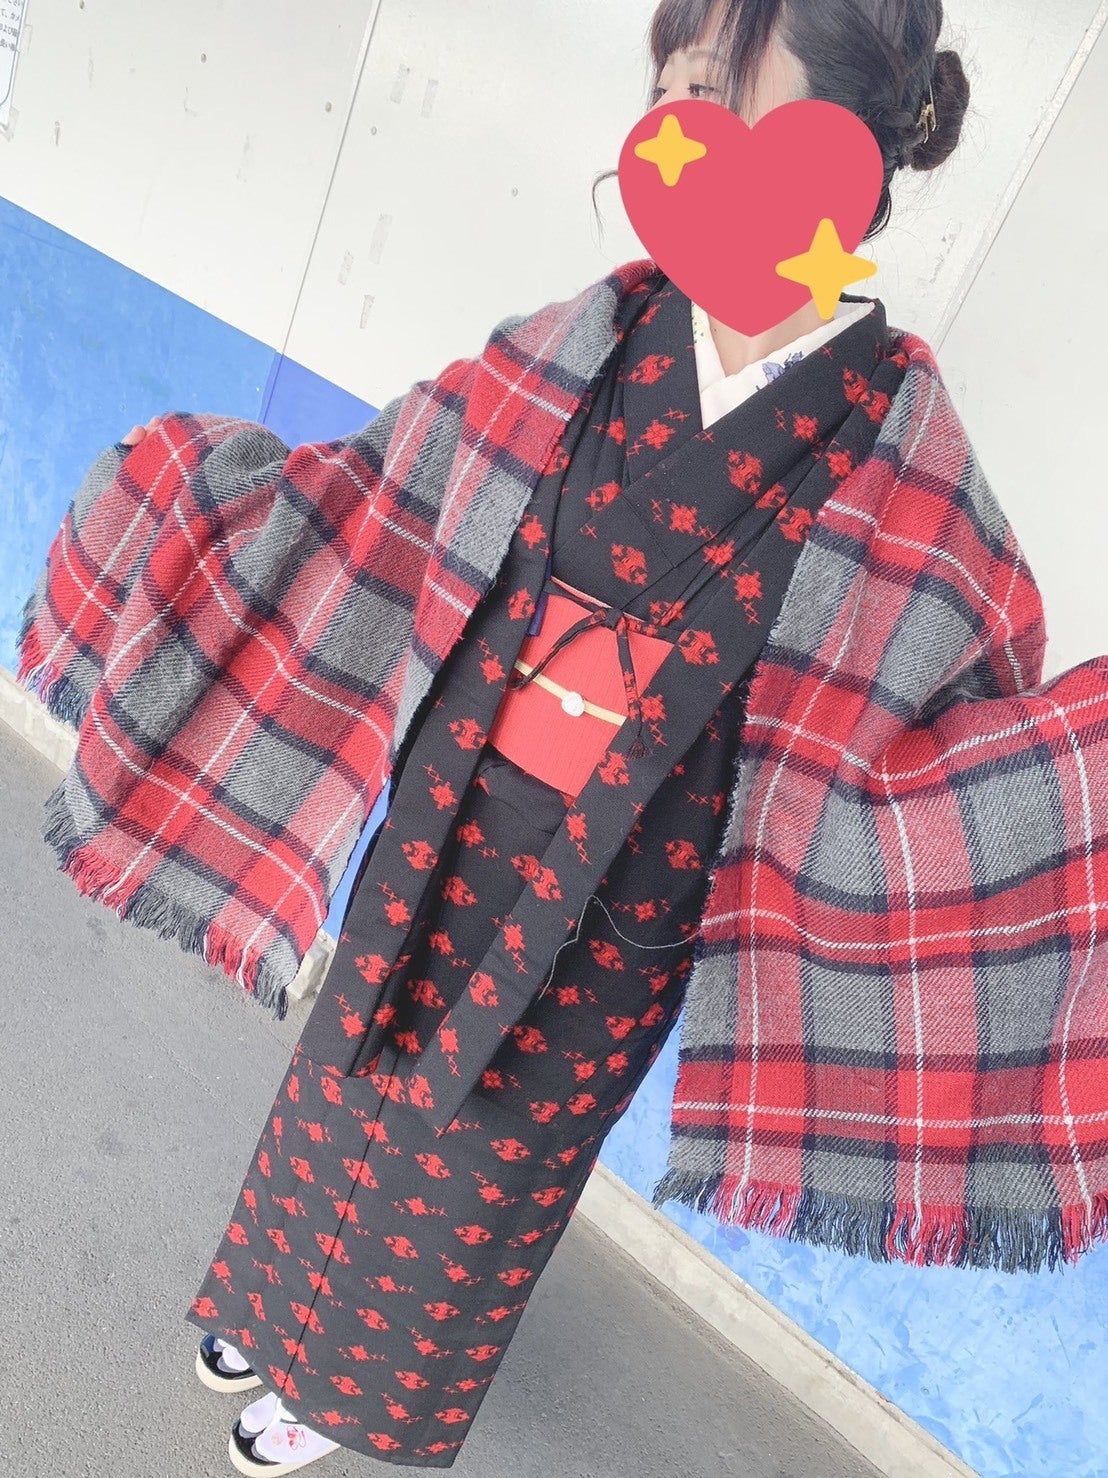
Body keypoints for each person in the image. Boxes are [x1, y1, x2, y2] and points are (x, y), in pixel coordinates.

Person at [116, 1, 970, 1471]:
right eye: (678, 94)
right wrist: (196, 506)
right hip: (454, 808)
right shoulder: (590, 334)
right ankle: (269, 1297)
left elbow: (949, 727)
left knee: (479, 1163)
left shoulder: (903, 448)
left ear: (853, 153)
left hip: (621, 893)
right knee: (342, 1074)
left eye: (736, 106)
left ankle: (342, 1392)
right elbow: (385, 493)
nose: (693, 138)